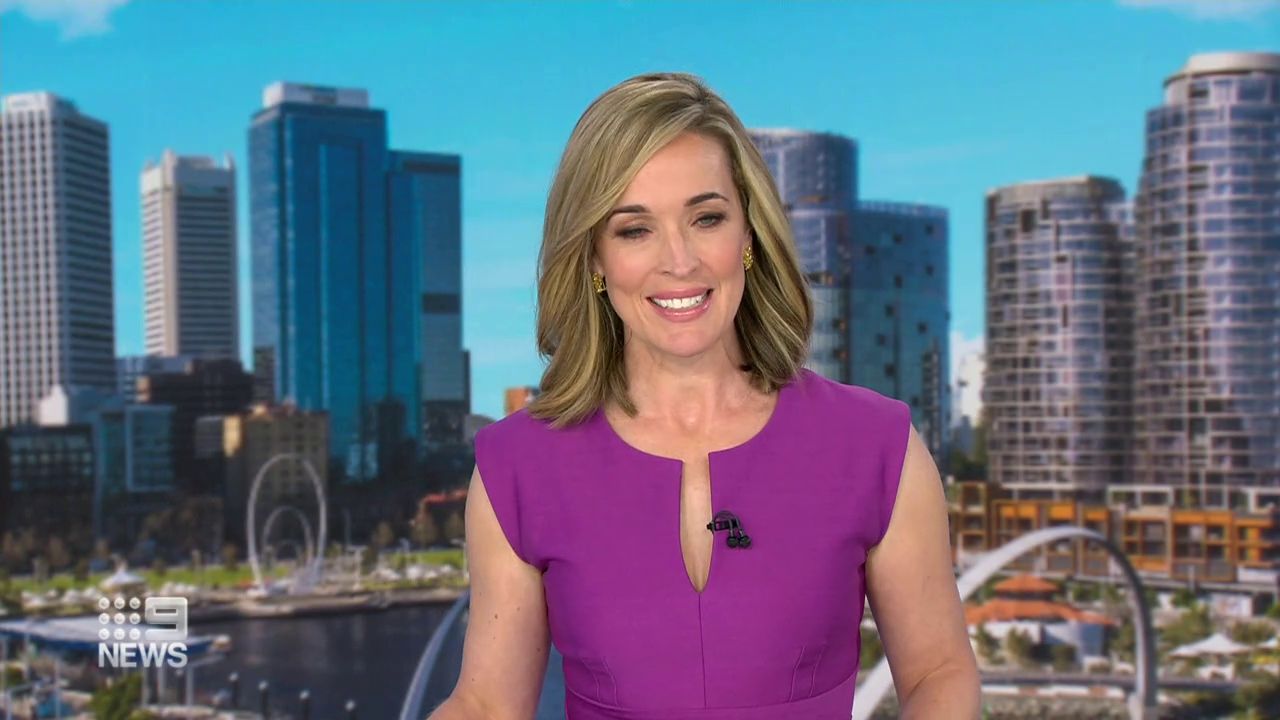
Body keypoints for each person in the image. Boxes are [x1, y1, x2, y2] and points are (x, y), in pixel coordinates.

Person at [429, 72, 979, 719]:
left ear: (748, 235)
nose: (680, 261)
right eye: (635, 230)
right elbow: (486, 704)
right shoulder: (517, 468)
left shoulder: (878, 448)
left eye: (706, 218)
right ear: (595, 258)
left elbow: (939, 673)